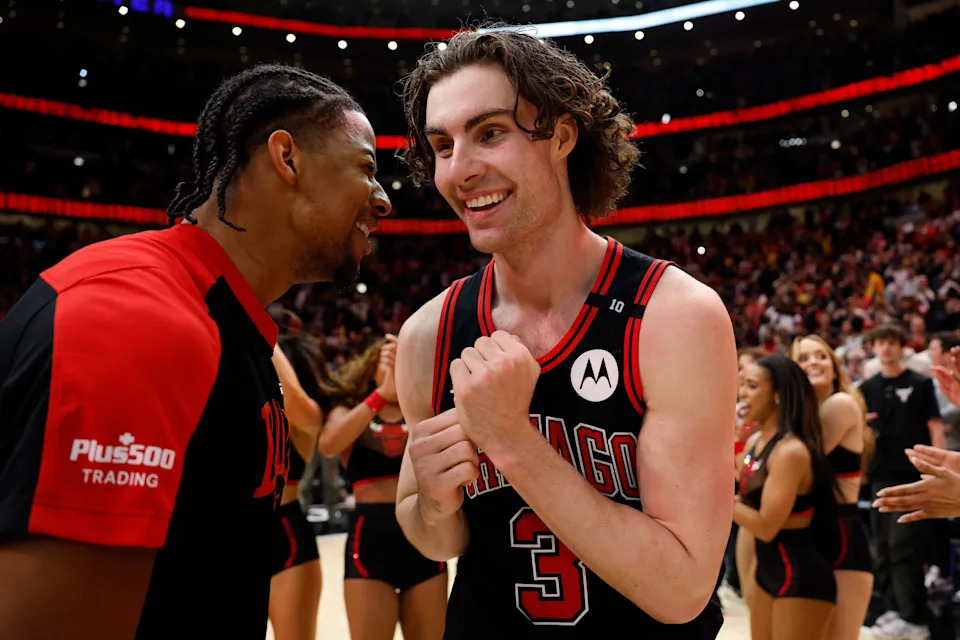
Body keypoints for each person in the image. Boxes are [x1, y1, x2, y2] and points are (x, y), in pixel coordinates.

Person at [0, 64, 391, 639]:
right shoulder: (138, 318)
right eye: (367, 168)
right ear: (287, 159)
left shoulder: (225, 318)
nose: (383, 200)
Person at [394, 25, 737, 637]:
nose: (461, 169)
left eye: (490, 133)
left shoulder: (675, 317)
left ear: (562, 136)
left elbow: (683, 588)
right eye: (443, 145)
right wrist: (435, 505)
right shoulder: (429, 333)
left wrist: (511, 440)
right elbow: (431, 536)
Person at [318, 336, 447, 640]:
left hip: (425, 533)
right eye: (391, 358)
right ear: (373, 364)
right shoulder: (351, 409)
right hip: (369, 541)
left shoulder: (425, 407)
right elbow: (328, 444)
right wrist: (380, 395)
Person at [734, 355, 839, 640]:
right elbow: (742, 489)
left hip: (800, 575)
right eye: (742, 384)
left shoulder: (790, 452)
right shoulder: (757, 441)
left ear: (778, 395)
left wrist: (719, 500)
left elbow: (767, 526)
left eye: (752, 386)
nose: (742, 392)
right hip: (767, 571)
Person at [859, 324, 944, 640]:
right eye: (880, 342)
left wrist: (935, 470)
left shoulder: (920, 384)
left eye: (892, 342)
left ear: (902, 347)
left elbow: (934, 427)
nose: (886, 348)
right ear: (873, 348)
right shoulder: (865, 388)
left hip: (912, 477)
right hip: (879, 476)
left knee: (904, 548)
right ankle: (894, 611)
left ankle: (915, 618)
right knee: (882, 548)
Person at [791, 335, 874, 640]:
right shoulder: (798, 418)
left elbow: (792, 466)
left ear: (835, 366)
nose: (813, 362)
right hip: (801, 535)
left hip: (839, 536)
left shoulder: (840, 404)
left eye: (821, 356)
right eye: (803, 358)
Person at [268, 309, 329, 640]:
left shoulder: (304, 418)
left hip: (285, 533)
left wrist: (254, 323)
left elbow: (295, 401)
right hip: (226, 534)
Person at [734, 346, 767, 604]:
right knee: (751, 603)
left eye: (751, 381)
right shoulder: (749, 431)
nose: (742, 387)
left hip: (770, 526)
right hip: (747, 514)